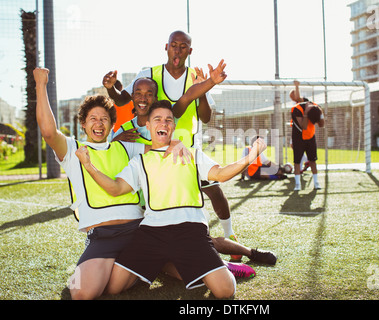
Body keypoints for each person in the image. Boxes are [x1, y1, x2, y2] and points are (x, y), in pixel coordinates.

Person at [33, 64, 220, 300]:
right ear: (83, 124)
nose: (99, 124)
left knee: (196, 271)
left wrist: (178, 144)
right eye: (93, 119)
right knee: (82, 293)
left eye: (104, 119)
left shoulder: (126, 145)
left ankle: (164, 262)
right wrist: (41, 84)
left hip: (139, 231)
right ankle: (144, 266)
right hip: (103, 235)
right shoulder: (73, 151)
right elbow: (49, 132)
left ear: (112, 124)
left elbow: (160, 144)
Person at [75, 101, 269, 298]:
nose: (164, 124)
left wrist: (249, 157)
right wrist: (89, 166)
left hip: (191, 231)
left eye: (168, 120)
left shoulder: (191, 153)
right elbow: (116, 188)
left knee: (225, 291)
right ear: (148, 126)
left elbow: (220, 174)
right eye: (157, 119)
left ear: (174, 126)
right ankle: (164, 265)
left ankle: (217, 267)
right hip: (152, 233)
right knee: (115, 287)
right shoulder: (139, 161)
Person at [111, 76, 277, 270]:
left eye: (149, 94)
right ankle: (225, 266)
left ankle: (249, 252)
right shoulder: (124, 131)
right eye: (138, 93)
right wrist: (115, 143)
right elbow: (116, 160)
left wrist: (208, 83)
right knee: (166, 261)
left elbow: (189, 97)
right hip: (146, 201)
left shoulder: (170, 127)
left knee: (202, 238)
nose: (163, 124)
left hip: (177, 186)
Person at [103, 30, 241, 261]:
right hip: (156, 147)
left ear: (190, 50)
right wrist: (110, 88)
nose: (177, 50)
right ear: (166, 47)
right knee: (154, 197)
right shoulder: (148, 74)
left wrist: (206, 88)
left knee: (213, 191)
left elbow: (201, 113)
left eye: (183, 46)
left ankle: (229, 235)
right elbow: (123, 99)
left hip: (186, 148)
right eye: (173, 45)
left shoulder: (193, 79)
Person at [290, 81, 325, 190]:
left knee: (313, 160)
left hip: (310, 137)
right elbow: (304, 126)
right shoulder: (297, 109)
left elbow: (321, 125)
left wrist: (321, 115)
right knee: (297, 161)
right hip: (298, 137)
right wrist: (306, 114)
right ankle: (297, 184)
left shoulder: (316, 107)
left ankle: (316, 182)